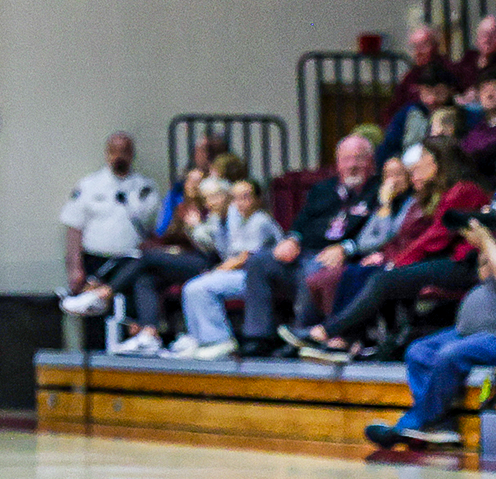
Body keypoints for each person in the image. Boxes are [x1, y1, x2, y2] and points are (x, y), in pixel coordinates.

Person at [295, 138, 489, 363]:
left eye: (424, 157)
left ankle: (329, 333)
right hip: (446, 260)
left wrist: (396, 262)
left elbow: (436, 238)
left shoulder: (464, 190)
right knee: (362, 274)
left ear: (439, 161)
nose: (418, 164)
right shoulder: (448, 191)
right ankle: (341, 340)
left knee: (383, 280)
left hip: (464, 264)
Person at [236, 133, 378, 357]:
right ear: (337, 163)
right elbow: (301, 222)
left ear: (371, 161)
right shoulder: (322, 189)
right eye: (346, 159)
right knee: (259, 262)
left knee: (315, 269)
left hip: (343, 257)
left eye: (358, 158)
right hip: (304, 252)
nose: (352, 165)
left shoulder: (378, 191)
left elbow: (379, 233)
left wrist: (346, 248)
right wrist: (292, 239)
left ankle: (302, 337)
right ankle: (258, 337)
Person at [364, 216, 496, 449]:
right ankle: (442, 426)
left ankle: (415, 423)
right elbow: (482, 273)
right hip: (468, 332)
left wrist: (486, 241)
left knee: (450, 354)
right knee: (418, 351)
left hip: (491, 336)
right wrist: (483, 251)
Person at [60, 170, 225, 355]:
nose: (192, 186)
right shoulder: (182, 208)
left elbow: (214, 246)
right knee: (146, 278)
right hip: (184, 258)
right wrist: (172, 246)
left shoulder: (213, 209)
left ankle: (103, 294)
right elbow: (167, 235)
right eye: (189, 182)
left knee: (146, 258)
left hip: (210, 264)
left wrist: (195, 227)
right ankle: (149, 334)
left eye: (198, 182)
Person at [291, 157, 414, 339]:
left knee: (341, 275)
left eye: (398, 174)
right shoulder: (383, 202)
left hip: (395, 260)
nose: (392, 181)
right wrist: (384, 206)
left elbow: (386, 236)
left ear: (409, 177)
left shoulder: (409, 203)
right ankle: (322, 334)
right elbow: (365, 240)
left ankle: (337, 336)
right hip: (370, 257)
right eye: (388, 175)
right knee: (331, 275)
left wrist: (385, 205)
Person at [168, 179, 283, 359]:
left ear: (257, 199)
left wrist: (217, 271)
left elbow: (244, 257)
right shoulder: (236, 220)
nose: (240, 203)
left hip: (258, 278)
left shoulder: (260, 220)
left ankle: (219, 340)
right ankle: (199, 339)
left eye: (246, 197)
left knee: (201, 287)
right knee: (191, 287)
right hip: (239, 274)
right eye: (236, 198)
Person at [60, 132, 159, 296]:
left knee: (131, 308)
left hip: (132, 263)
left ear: (132, 154)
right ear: (107, 154)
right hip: (95, 262)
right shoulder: (89, 186)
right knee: (95, 309)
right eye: (114, 151)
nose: (119, 157)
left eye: (124, 151)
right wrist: (75, 269)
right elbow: (74, 229)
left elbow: (155, 228)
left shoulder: (145, 188)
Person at [379, 65, 454, 170]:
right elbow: (389, 145)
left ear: (450, 91)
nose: (432, 99)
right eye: (427, 92)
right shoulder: (408, 113)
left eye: (439, 93)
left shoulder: (459, 115)